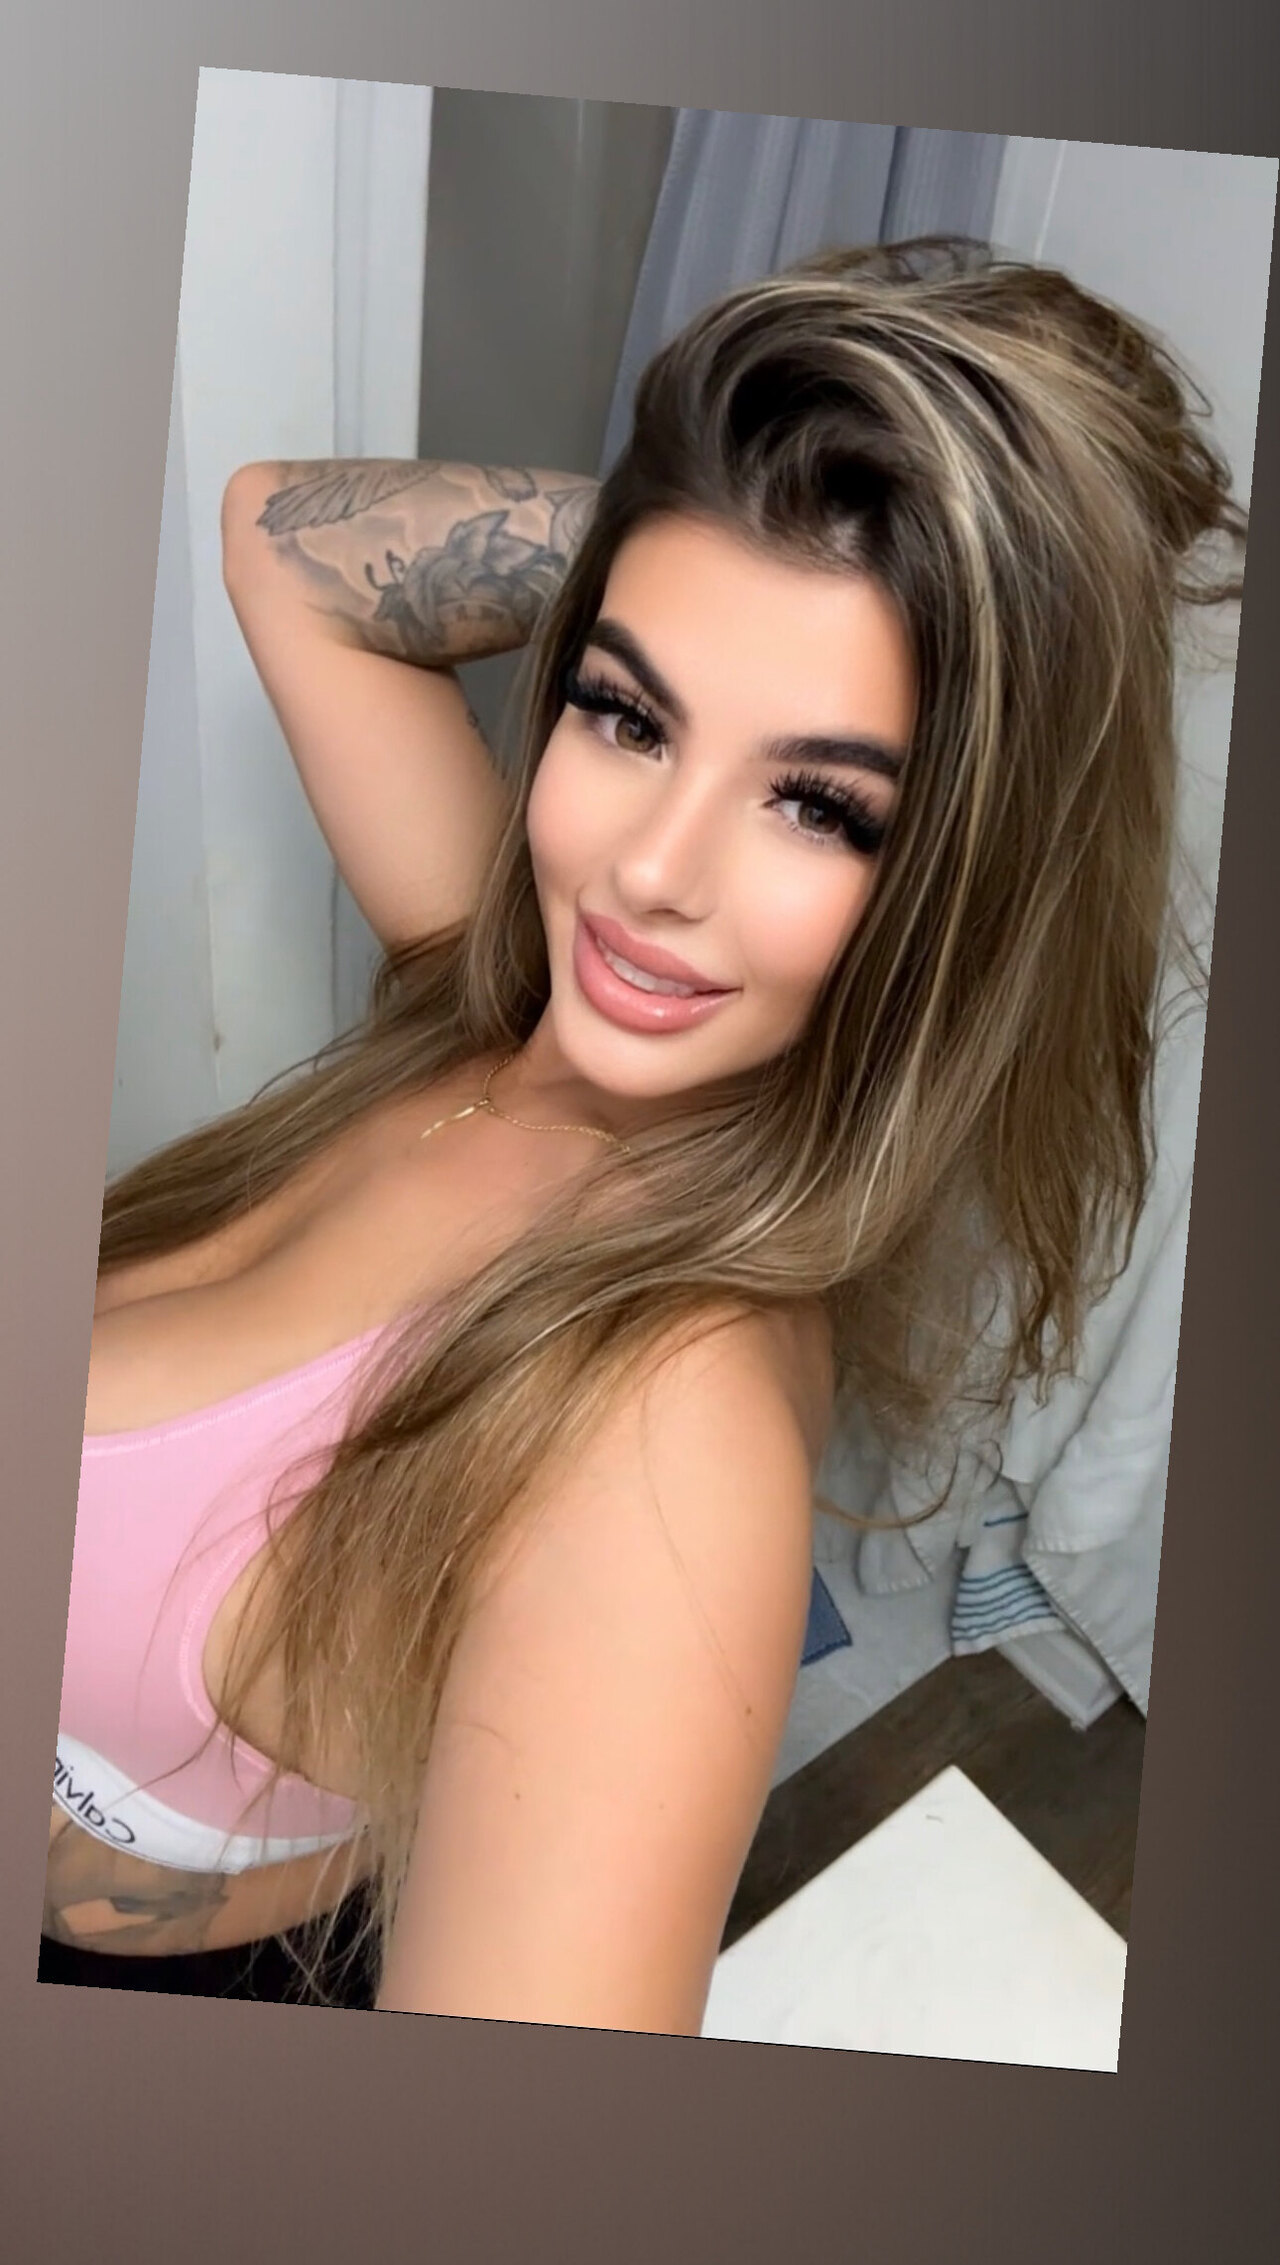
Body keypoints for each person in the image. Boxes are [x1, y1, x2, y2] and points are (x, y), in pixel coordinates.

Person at [40, 235, 1245, 2028]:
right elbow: (282, 537)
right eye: (626, 711)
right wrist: (730, 525)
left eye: (819, 805)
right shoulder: (501, 996)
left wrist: (1005, 636)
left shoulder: (672, 1441)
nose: (647, 872)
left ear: (964, 877)